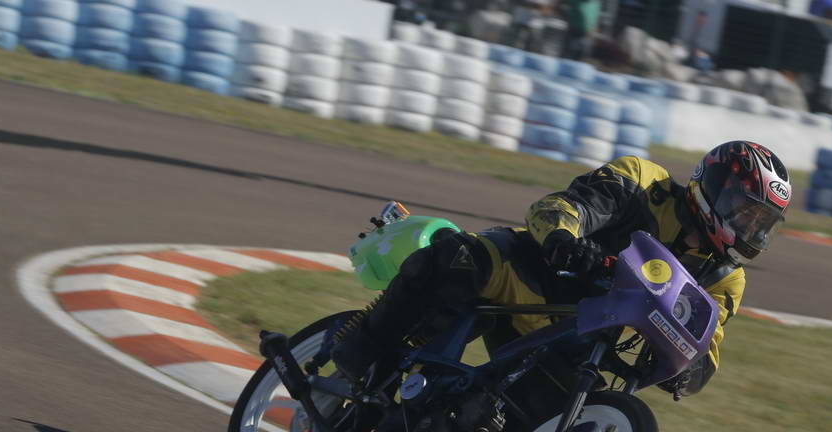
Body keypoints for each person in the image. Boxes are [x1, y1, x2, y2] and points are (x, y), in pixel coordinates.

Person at [332, 141, 792, 399]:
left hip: (574, 335)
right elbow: (564, 206)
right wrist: (564, 240)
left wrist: (686, 370)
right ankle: (361, 349)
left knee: (559, 418)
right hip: (521, 273)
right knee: (459, 258)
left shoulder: (726, 277)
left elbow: (707, 343)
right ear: (714, 186)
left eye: (761, 221)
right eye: (745, 210)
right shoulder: (642, 180)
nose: (749, 226)